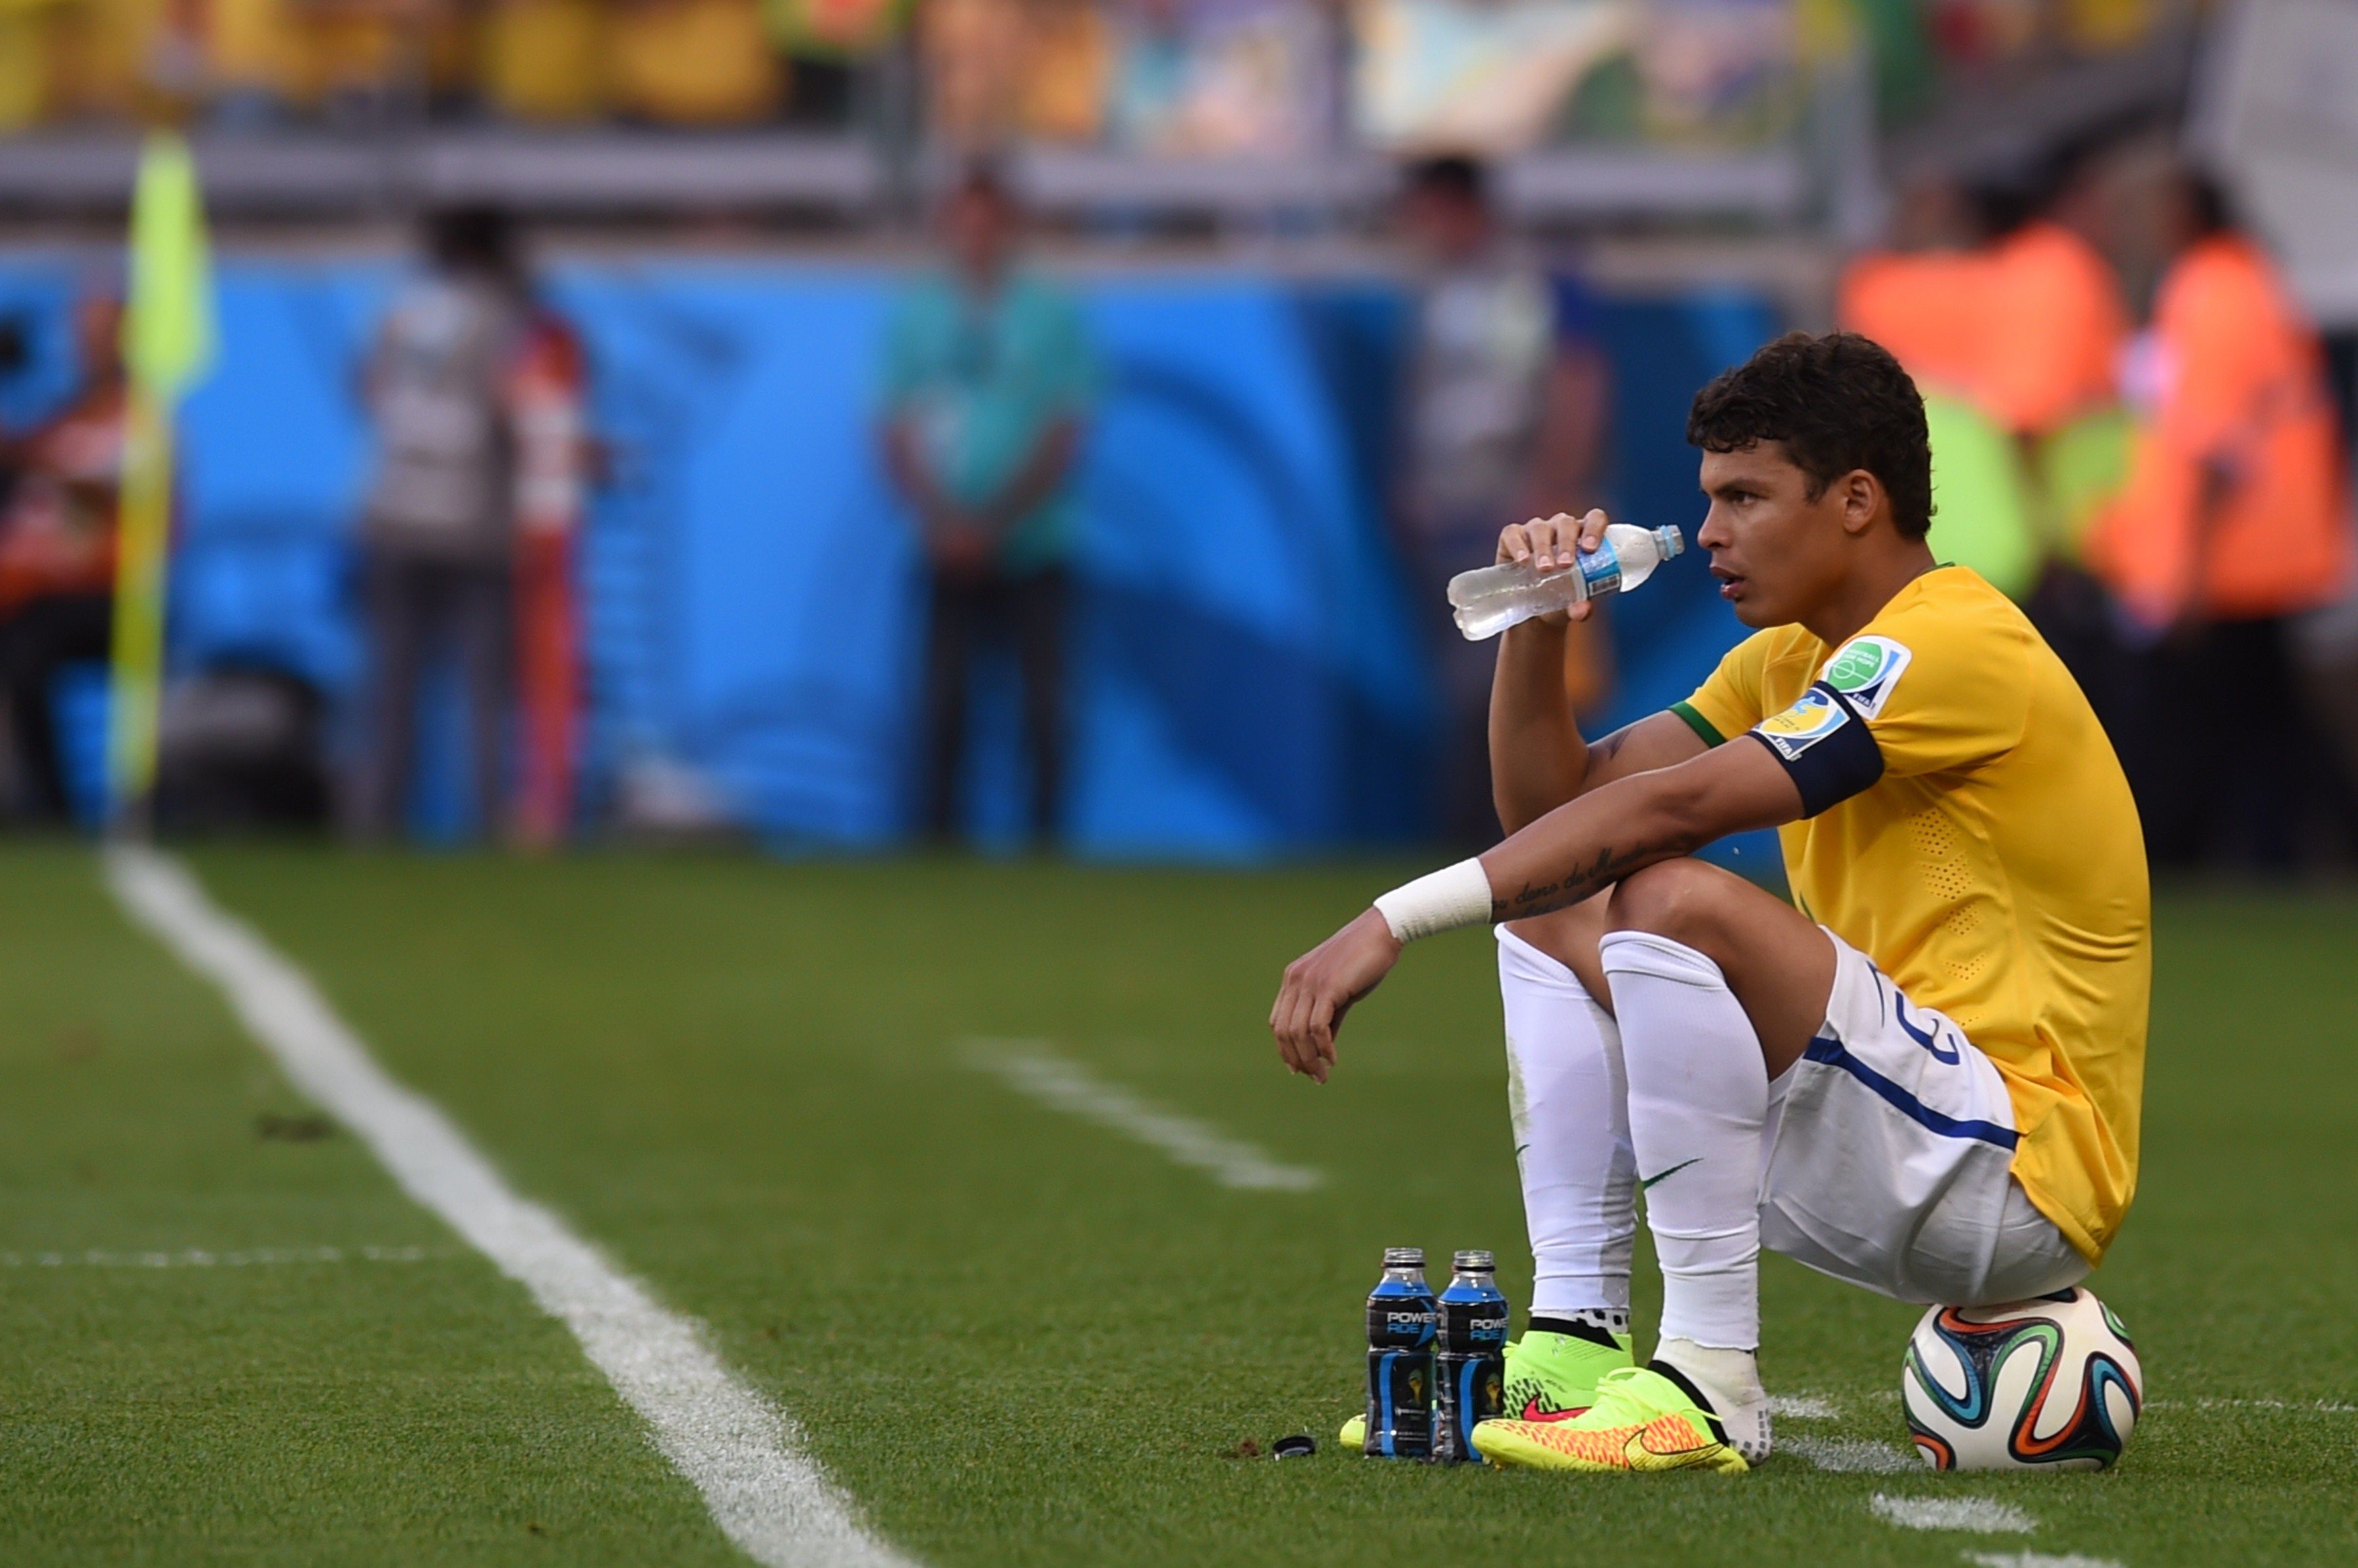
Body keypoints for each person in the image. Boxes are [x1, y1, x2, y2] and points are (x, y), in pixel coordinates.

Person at [1276, 332, 2148, 1474]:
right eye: (1709, 498)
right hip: (1891, 1124)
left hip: (2017, 1170)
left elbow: (1672, 808)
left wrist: (1395, 915)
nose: (1716, 534)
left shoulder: (1955, 641)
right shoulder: (1791, 656)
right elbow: (1556, 812)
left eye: (1746, 496)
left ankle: (1707, 1384)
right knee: (1554, 899)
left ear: (1855, 500)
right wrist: (1538, 626)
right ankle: (1578, 1340)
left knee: (1672, 895)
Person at [2087, 168, 2353, 869]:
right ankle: (2272, 850)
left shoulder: (2210, 292)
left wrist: (2192, 574)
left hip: (2238, 555)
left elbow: (2215, 447)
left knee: (2221, 714)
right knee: (2263, 714)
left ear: (2181, 212)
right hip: (2268, 549)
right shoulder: (2246, 282)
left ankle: (2190, 851)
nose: (2135, 226)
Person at [1396, 155, 1612, 844]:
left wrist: (1550, 487)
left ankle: (1509, 837)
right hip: (1452, 506)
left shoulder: (1531, 283)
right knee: (1467, 680)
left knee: (1510, 678)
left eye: (1425, 211)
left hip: (1513, 510)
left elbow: (1576, 382)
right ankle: (1489, 838)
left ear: (1458, 206)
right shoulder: (1441, 289)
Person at [881, 162, 1096, 849]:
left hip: (1034, 542)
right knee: (943, 704)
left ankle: (1045, 851)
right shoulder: (918, 312)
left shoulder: (1049, 312)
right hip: (943, 544)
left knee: (1043, 708)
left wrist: (995, 520)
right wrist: (944, 520)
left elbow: (1066, 430)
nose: (975, 236)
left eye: (988, 220)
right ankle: (938, 850)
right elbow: (891, 429)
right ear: (947, 226)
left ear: (1010, 226)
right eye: (962, 221)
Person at [349, 205, 529, 842]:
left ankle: (374, 822)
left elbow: (366, 391)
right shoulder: (505, 317)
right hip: (473, 522)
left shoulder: (396, 310)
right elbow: (519, 406)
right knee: (483, 693)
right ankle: (488, 822)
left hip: (394, 513)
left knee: (390, 689)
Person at [0, 292, 126, 827]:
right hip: (29, 594)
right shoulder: (63, 418)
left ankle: (50, 806)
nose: (86, 346)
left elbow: (105, 502)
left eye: (100, 332)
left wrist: (44, 468)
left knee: (24, 656)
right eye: (81, 333)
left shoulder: (137, 422)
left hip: (102, 598)